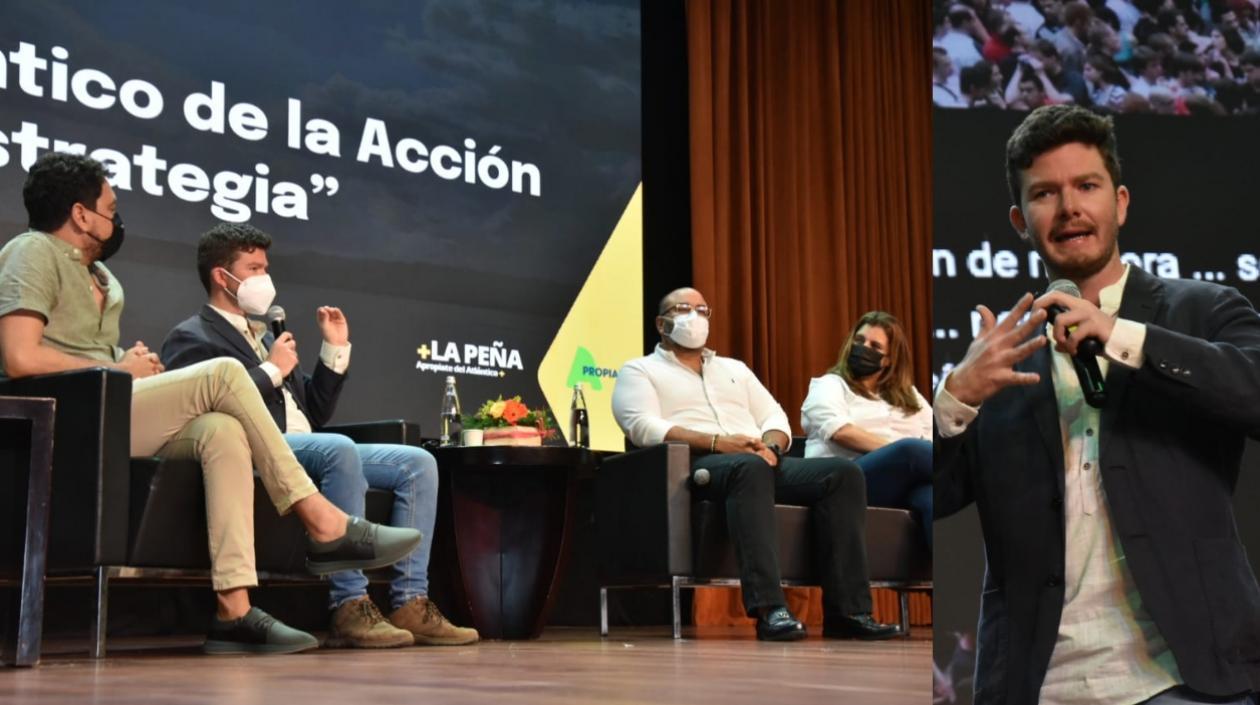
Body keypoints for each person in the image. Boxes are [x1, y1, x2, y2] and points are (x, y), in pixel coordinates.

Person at [0, 152, 421, 654]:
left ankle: (233, 611)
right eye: (110, 208)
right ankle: (322, 522)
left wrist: (124, 358)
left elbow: (79, 348)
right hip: (71, 416)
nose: (117, 220)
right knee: (222, 376)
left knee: (223, 430)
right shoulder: (32, 251)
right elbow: (20, 357)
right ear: (81, 214)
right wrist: (116, 368)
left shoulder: (103, 279)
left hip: (113, 406)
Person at [934, 104, 1260, 703]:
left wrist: (1117, 335)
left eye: (1087, 186)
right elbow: (938, 497)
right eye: (1045, 194)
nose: (1069, 208)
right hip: (1037, 685)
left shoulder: (1203, 310)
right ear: (1019, 220)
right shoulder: (999, 356)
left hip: (1187, 679)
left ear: (1122, 203)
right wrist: (955, 401)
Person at [160, 222, 478, 649]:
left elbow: (312, 411)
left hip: (305, 445)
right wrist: (272, 369)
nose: (264, 279)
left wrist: (333, 350)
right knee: (338, 449)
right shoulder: (191, 336)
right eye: (254, 268)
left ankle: (410, 601)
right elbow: (205, 406)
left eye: (265, 268)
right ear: (222, 276)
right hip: (253, 450)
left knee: (416, 463)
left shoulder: (265, 334)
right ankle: (350, 604)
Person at [611, 287, 898, 642]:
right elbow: (642, 427)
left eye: (703, 310)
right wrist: (718, 442)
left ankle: (849, 612)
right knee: (749, 469)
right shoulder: (639, 370)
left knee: (843, 474)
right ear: (661, 322)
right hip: (698, 465)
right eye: (683, 309)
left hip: (760, 459)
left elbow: (774, 416)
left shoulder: (734, 369)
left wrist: (773, 448)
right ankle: (769, 609)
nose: (695, 317)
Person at [800, 311, 932, 550]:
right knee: (911, 450)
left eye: (874, 345)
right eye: (859, 342)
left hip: (900, 484)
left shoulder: (910, 396)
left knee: (932, 499)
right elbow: (840, 431)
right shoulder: (829, 385)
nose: (863, 348)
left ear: (888, 360)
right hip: (846, 480)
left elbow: (933, 439)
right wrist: (899, 454)